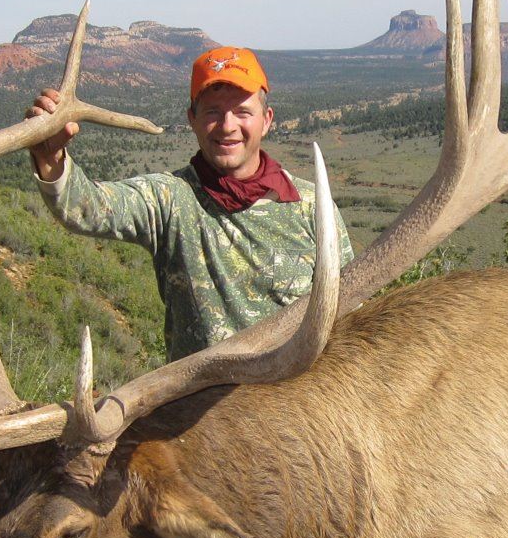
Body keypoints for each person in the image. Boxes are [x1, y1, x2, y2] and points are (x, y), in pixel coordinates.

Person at [24, 46, 354, 360]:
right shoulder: (170, 198)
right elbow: (87, 208)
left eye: (242, 112)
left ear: (266, 120)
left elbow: (351, 309)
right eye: (212, 112)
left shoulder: (313, 207)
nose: (228, 126)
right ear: (192, 119)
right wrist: (49, 156)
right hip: (195, 415)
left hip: (292, 410)